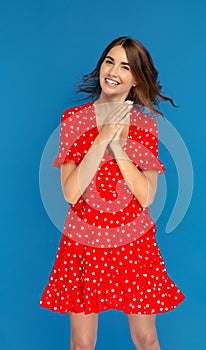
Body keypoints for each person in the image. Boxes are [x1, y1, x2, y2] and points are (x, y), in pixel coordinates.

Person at [40, 36, 185, 350]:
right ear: (101, 65)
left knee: (145, 338)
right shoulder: (73, 119)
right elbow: (70, 191)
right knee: (82, 342)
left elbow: (146, 197)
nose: (114, 71)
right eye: (109, 61)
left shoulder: (146, 127)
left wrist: (119, 146)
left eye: (125, 66)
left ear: (136, 79)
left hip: (133, 242)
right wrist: (102, 137)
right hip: (83, 240)